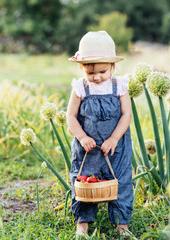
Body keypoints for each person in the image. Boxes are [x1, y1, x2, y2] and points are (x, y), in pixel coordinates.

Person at [66, 31, 133, 237]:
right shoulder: (80, 88)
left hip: (116, 148)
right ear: (81, 68)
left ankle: (122, 224)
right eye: (90, 72)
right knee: (83, 182)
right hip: (88, 148)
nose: (96, 77)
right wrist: (82, 137)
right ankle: (83, 222)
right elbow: (71, 116)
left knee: (121, 183)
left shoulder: (119, 86)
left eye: (103, 71)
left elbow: (126, 114)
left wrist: (114, 138)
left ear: (113, 66)